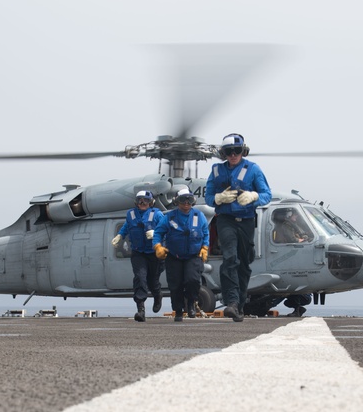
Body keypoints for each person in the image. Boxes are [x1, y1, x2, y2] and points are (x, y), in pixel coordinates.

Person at [205, 133, 272, 322]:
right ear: (223, 153)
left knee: (244, 263)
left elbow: (267, 194)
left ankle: (239, 305)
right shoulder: (217, 171)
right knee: (230, 259)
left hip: (247, 220)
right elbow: (209, 197)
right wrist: (217, 198)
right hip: (225, 220)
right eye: (229, 151)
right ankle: (232, 302)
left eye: (237, 151)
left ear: (243, 151)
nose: (233, 155)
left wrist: (253, 197)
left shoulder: (253, 169)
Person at [153, 186, 210, 322]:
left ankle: (191, 302)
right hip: (174, 256)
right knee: (175, 284)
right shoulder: (169, 217)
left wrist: (205, 247)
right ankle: (178, 310)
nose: (186, 204)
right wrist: (158, 246)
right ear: (177, 202)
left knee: (192, 280)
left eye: (189, 201)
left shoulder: (198, 216)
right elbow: (158, 233)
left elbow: (206, 233)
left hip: (193, 256)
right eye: (183, 200)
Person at [112, 190, 165, 322]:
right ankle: (140, 309)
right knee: (140, 278)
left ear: (151, 202)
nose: (142, 203)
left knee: (153, 281)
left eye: (146, 200)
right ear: (136, 202)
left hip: (153, 253)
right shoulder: (131, 214)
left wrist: (156, 234)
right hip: (138, 253)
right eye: (140, 200)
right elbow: (127, 226)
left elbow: (166, 230)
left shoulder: (157, 214)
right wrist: (120, 235)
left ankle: (157, 294)